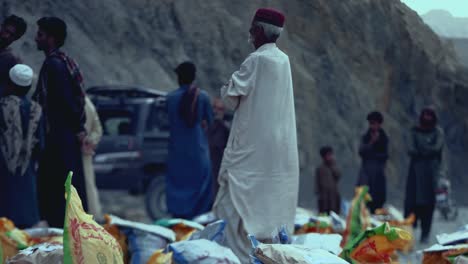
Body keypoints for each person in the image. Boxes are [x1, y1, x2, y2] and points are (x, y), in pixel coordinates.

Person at [213, 8, 299, 262]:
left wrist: (226, 86)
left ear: (260, 31)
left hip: (249, 151)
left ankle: (238, 258)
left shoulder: (256, 60)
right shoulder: (284, 60)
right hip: (277, 151)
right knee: (267, 207)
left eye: (252, 28)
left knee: (234, 207)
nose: (249, 33)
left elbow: (230, 99)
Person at [33, 17, 88, 227]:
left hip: (58, 141)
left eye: (40, 34)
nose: (36, 38)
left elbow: (65, 102)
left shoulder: (54, 65)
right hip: (62, 139)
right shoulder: (62, 62)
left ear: (51, 38)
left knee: (57, 193)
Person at [166, 62, 214, 219]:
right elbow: (211, 122)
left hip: (176, 152)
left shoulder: (170, 98)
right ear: (193, 78)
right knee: (202, 185)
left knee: (177, 185)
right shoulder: (203, 97)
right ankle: (198, 222)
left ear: (179, 78)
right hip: (198, 151)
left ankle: (179, 221)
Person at [0, 64, 43, 228]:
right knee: (26, 223)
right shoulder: (36, 109)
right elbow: (41, 144)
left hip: (3, 170)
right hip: (27, 171)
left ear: (9, 83)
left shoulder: (2, 105)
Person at [404, 108, 445, 244]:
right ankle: (407, 233)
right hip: (415, 173)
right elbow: (411, 148)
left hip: (431, 174)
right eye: (425, 115)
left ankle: (425, 233)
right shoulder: (414, 131)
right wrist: (426, 150)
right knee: (411, 203)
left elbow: (437, 148)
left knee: (428, 205)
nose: (427, 118)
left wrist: (422, 149)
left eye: (430, 115)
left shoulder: (437, 132)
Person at [356, 111, 389, 213]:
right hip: (366, 173)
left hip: (378, 173)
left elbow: (385, 155)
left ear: (379, 124)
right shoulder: (365, 137)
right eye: (371, 123)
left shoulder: (384, 138)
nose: (372, 126)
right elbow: (361, 152)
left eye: (374, 123)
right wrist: (371, 143)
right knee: (364, 199)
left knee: (378, 200)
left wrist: (373, 154)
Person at [82, 96, 103, 220]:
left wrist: (88, 141)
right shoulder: (87, 102)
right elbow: (98, 129)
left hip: (82, 154)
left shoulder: (84, 103)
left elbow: (97, 128)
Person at [207, 98, 230, 197]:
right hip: (208, 163)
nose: (217, 111)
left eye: (220, 109)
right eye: (215, 108)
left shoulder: (225, 128)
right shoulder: (206, 125)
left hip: (220, 164)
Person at [0, 15, 26, 95]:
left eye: (11, 35)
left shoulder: (10, 60)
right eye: (6, 31)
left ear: (16, 38)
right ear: (1, 27)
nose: (6, 36)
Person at [316, 146, 341, 215]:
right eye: (328, 155)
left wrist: (332, 165)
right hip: (324, 198)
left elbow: (338, 176)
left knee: (334, 214)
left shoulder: (334, 166)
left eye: (330, 155)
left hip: (334, 196)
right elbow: (318, 185)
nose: (329, 157)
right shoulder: (320, 169)